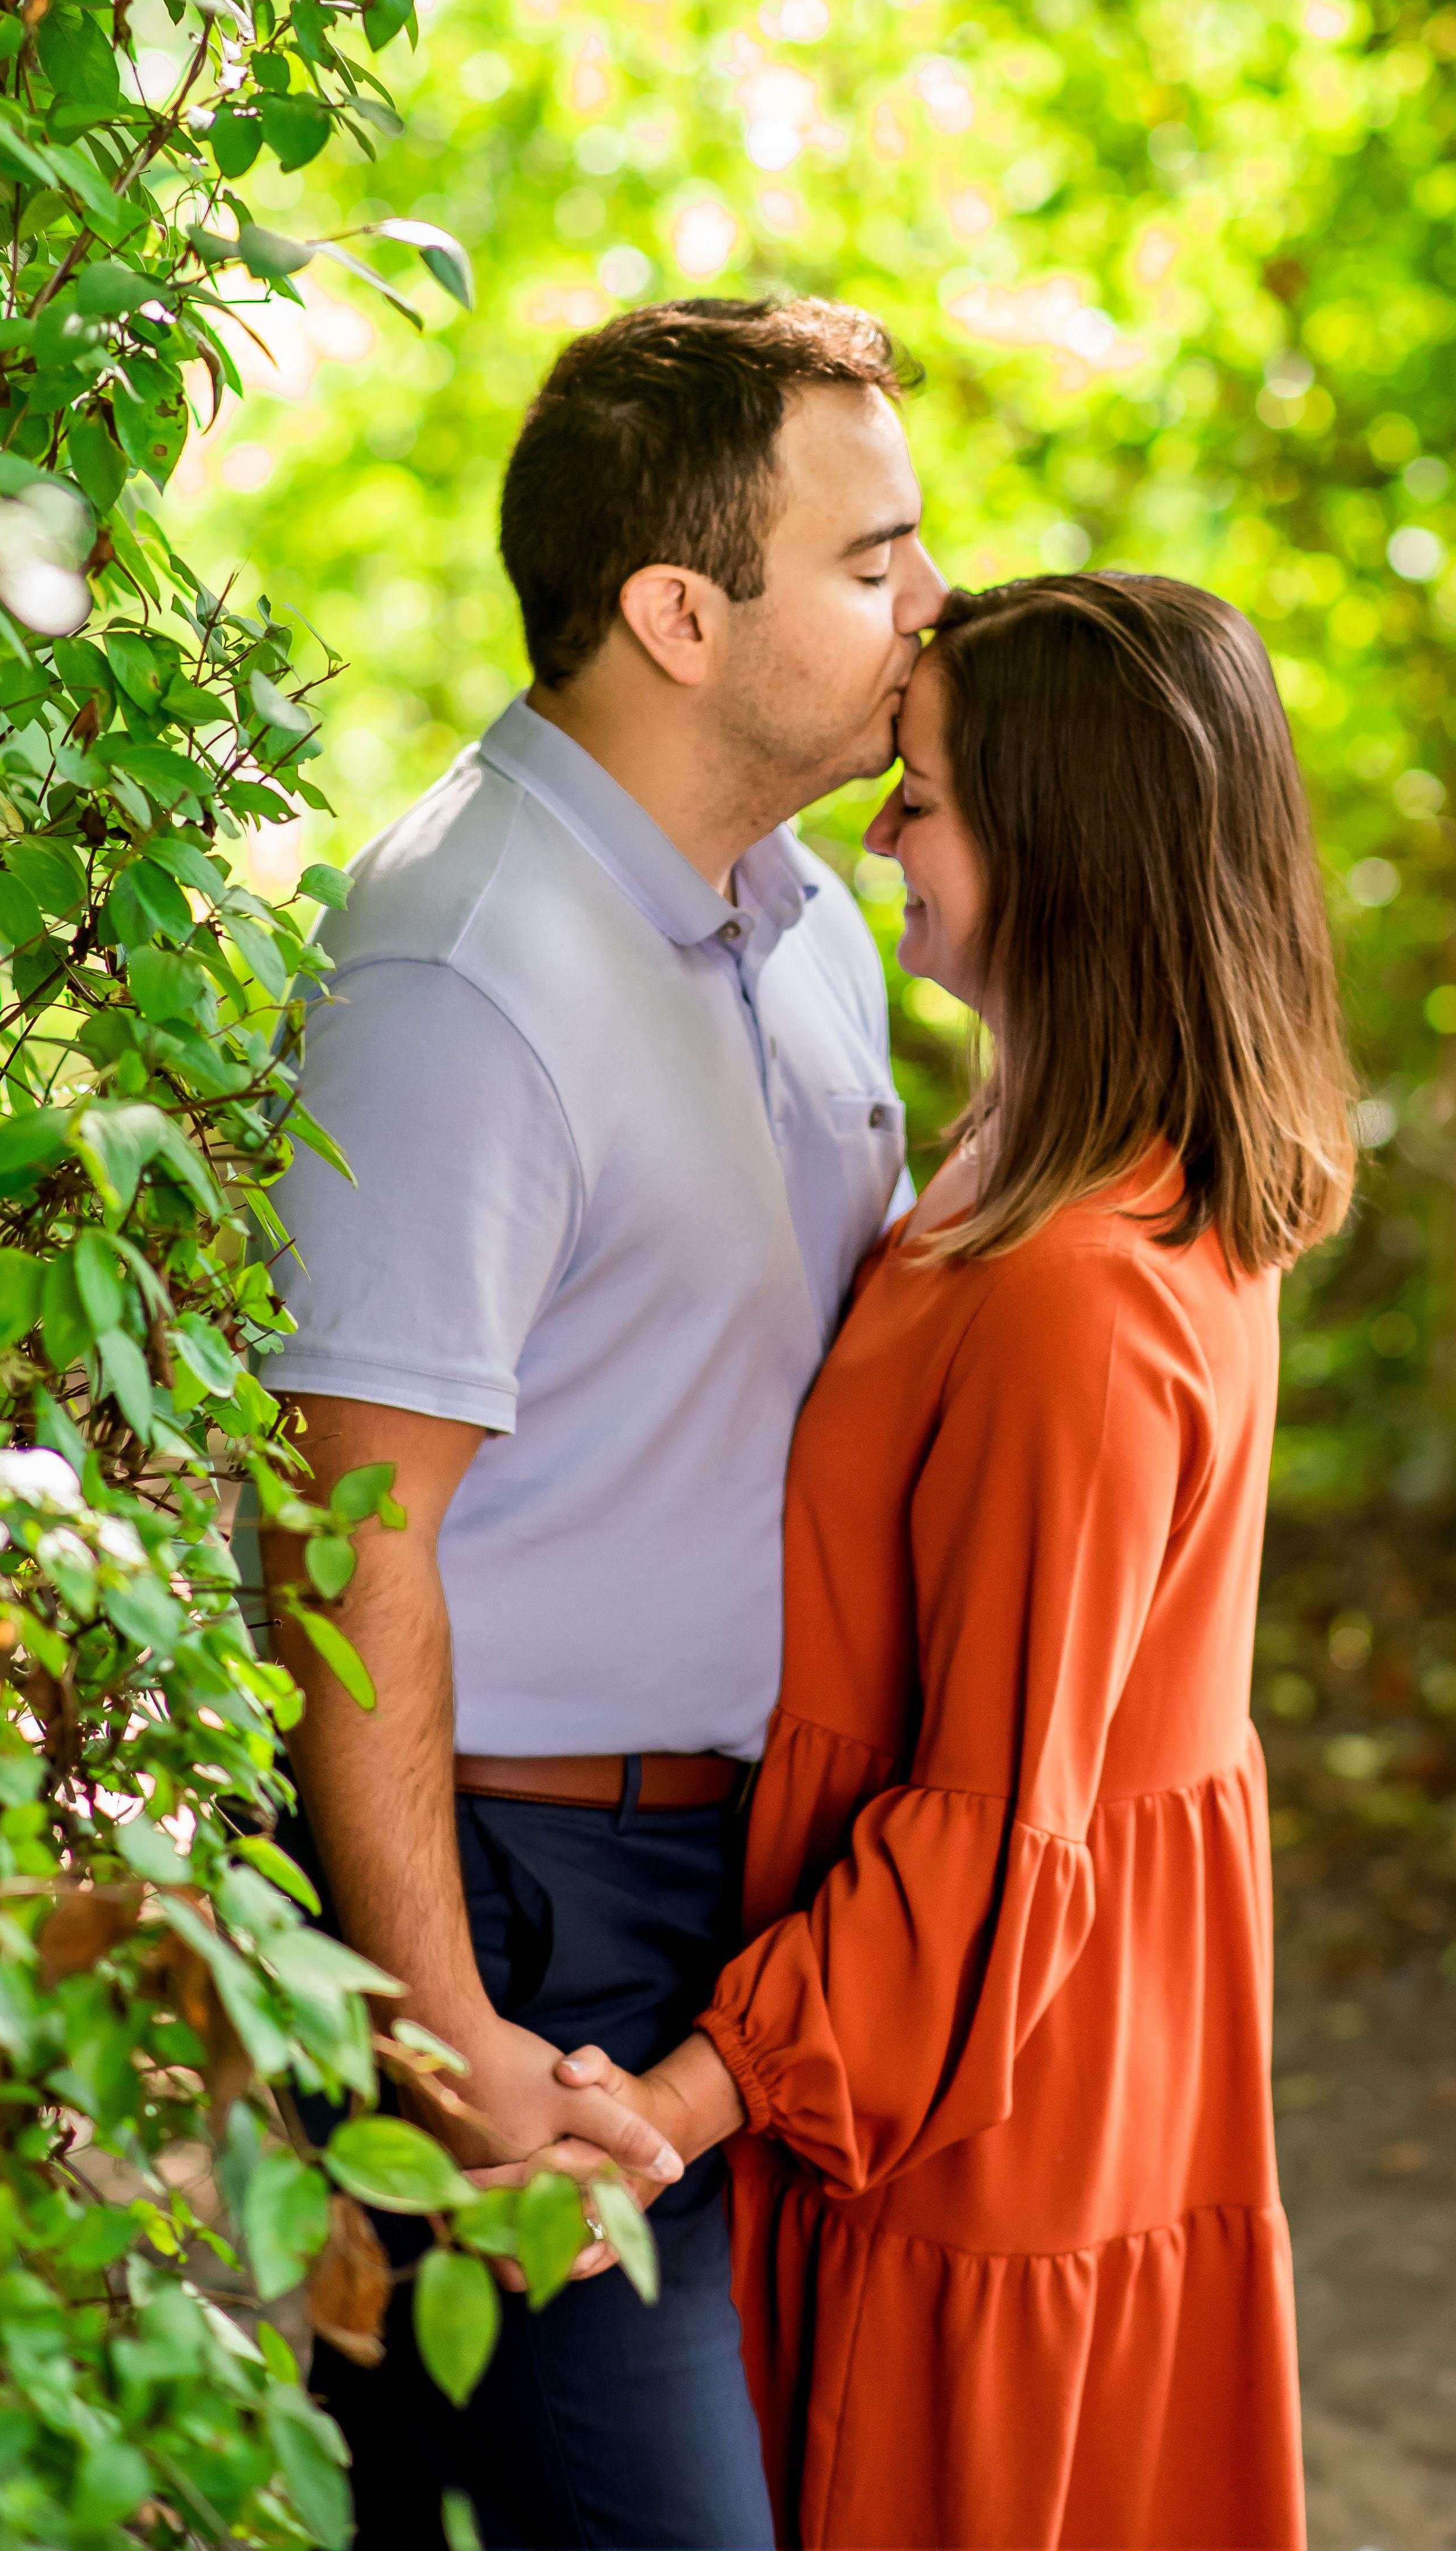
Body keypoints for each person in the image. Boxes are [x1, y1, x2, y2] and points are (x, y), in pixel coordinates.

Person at [547, 572, 1359, 2551]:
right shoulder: (1078, 1162)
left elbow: (998, 1827)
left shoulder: (1073, 1294)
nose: (881, 833)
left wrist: (678, 2105)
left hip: (992, 2093)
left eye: (922, 796)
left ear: (1065, 850)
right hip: (1068, 2029)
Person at [256, 296, 944, 2550]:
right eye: (872, 562)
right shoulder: (465, 966)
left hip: (749, 1907)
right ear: (680, 610)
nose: (929, 609)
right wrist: (438, 2024)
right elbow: (348, 1543)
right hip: (524, 1916)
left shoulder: (812, 924)